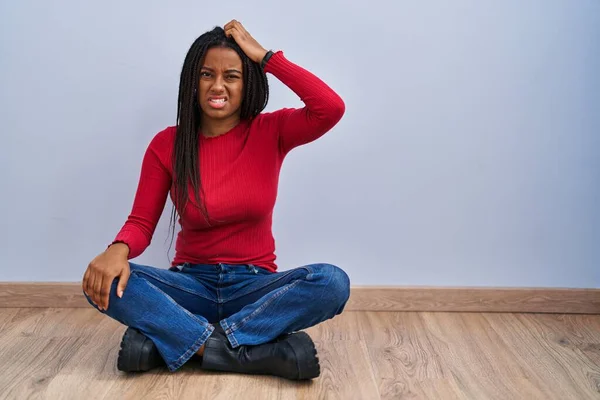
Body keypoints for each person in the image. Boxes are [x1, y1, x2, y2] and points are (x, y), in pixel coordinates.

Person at [81, 20, 349, 381]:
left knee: (332, 282)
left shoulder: (271, 131)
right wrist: (118, 249)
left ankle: (178, 341)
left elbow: (329, 108)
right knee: (105, 280)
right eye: (207, 74)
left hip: (254, 287)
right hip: (190, 286)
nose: (218, 85)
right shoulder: (167, 144)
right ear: (194, 81)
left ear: (247, 82)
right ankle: (246, 350)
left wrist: (265, 57)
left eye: (232, 76)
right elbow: (142, 223)